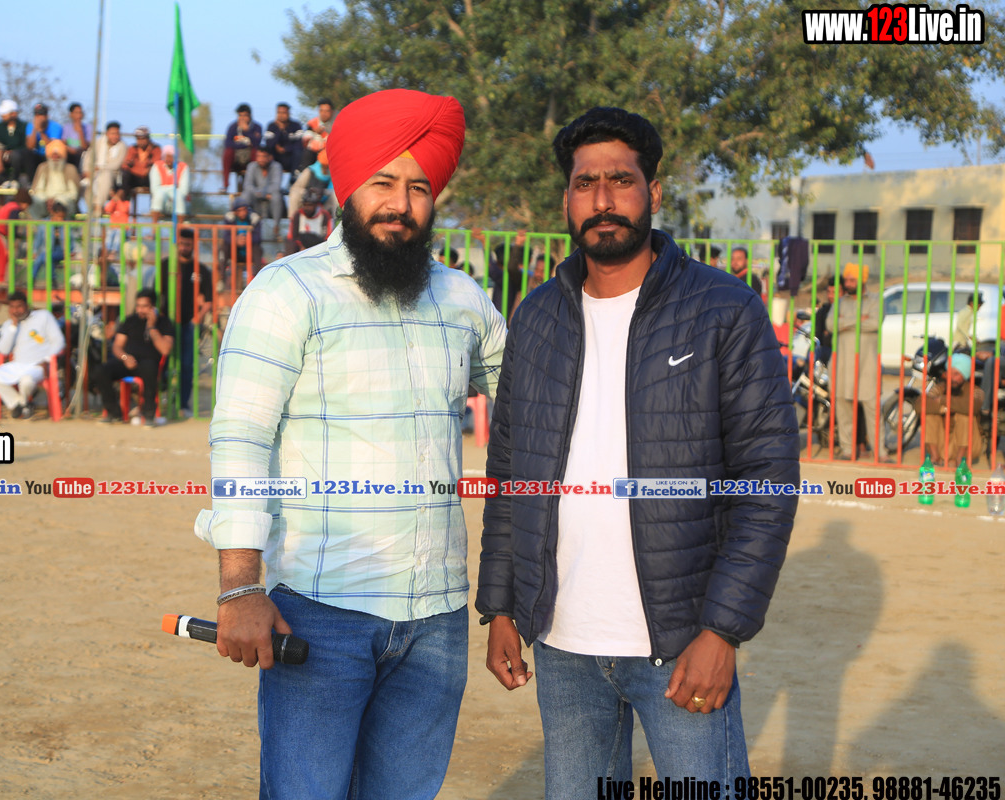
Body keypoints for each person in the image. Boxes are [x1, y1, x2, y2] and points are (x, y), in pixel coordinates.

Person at [476, 107, 798, 790]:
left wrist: (722, 631)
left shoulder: (722, 310)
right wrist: (500, 606)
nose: (603, 199)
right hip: (562, 644)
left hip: (680, 643)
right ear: (566, 199)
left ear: (652, 190)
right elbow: (508, 475)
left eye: (620, 180)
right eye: (585, 183)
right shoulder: (536, 317)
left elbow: (766, 482)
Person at [196, 88, 504, 800]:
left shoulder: (461, 298)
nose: (400, 204)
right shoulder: (287, 292)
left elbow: (533, 399)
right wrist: (240, 585)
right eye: (383, 183)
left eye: (418, 188)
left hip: (436, 616)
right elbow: (241, 439)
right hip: (321, 609)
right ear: (347, 189)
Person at [93, 288, 173, 425]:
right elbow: (117, 346)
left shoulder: (164, 323)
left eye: (144, 306)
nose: (140, 310)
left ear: (153, 307)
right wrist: (125, 357)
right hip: (127, 361)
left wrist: (152, 327)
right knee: (100, 371)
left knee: (149, 369)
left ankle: (148, 415)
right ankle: (114, 413)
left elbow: (165, 350)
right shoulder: (130, 321)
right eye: (138, 306)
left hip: (148, 363)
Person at [828, 261, 883, 460]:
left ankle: (880, 453)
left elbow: (875, 323)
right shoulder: (839, 302)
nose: (848, 283)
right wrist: (860, 319)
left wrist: (845, 322)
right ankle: (847, 450)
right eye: (847, 279)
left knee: (873, 408)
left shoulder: (876, 300)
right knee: (843, 408)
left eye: (852, 280)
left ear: (862, 280)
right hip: (842, 364)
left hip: (867, 364)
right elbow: (831, 325)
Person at [0, 291, 65, 419]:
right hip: (18, 365)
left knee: (26, 381)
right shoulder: (8, 325)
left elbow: (59, 342)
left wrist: (46, 359)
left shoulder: (43, 316)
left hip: (38, 365)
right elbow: (3, 350)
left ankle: (22, 405)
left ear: (27, 306)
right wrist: (13, 326)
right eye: (12, 307)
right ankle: (19, 404)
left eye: (19, 306)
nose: (16, 310)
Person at [158, 227, 212, 413]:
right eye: (181, 243)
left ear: (193, 245)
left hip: (189, 324)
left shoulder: (201, 270)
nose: (184, 247)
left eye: (188, 244)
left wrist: (197, 319)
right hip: (167, 323)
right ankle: (158, 402)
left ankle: (182, 405)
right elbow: (158, 293)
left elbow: (209, 300)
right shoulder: (166, 265)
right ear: (176, 244)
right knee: (161, 362)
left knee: (187, 366)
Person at [923, 352, 983, 467]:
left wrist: (943, 400)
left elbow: (971, 407)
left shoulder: (976, 391)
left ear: (965, 375)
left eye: (956, 374)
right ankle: (935, 456)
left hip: (968, 448)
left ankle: (961, 459)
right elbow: (921, 404)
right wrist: (944, 410)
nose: (951, 378)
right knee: (929, 415)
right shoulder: (940, 388)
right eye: (949, 373)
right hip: (943, 444)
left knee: (965, 415)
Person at [0, 188, 32, 283]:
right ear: (24, 203)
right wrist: (12, 241)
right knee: (2, 257)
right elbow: (11, 226)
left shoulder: (10, 205)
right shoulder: (15, 208)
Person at [30, 139, 81, 218]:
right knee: (33, 204)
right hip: (45, 201)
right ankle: (37, 225)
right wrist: (46, 200)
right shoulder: (42, 167)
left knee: (61, 206)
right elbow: (37, 190)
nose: (55, 159)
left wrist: (58, 199)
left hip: (63, 201)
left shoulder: (70, 169)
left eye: (58, 156)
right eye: (53, 156)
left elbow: (73, 194)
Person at [241, 147, 284, 238]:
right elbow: (247, 185)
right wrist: (261, 194)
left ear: (270, 157)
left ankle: (276, 227)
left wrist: (261, 193)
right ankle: (241, 228)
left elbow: (276, 186)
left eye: (264, 156)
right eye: (258, 156)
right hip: (256, 203)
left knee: (276, 196)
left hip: (271, 204)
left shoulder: (277, 166)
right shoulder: (251, 166)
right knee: (245, 195)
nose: (261, 159)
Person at [222, 104, 262, 194]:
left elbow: (257, 143)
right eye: (240, 115)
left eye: (245, 115)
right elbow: (227, 143)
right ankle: (225, 184)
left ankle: (256, 184)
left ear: (250, 116)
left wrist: (247, 131)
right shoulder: (233, 127)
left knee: (256, 151)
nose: (242, 118)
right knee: (228, 152)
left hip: (250, 159)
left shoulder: (256, 127)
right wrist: (245, 144)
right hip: (236, 158)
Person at [88, 121, 127, 212]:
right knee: (87, 184)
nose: (115, 136)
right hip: (96, 173)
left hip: (113, 176)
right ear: (107, 134)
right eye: (112, 133)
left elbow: (117, 165)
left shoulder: (122, 146)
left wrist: (101, 168)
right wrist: (87, 170)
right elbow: (89, 157)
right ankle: (90, 209)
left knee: (105, 176)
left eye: (117, 133)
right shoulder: (99, 143)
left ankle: (98, 206)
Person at [287, 152, 337, 218]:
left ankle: (337, 220)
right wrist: (309, 191)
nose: (325, 166)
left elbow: (335, 190)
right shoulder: (309, 171)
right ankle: (293, 219)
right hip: (307, 201)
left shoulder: (333, 172)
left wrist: (323, 191)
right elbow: (295, 188)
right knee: (294, 194)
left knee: (335, 196)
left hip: (324, 202)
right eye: (323, 164)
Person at [0, 100, 31, 185]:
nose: (2, 115)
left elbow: (26, 145)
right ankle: (2, 179)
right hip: (2, 154)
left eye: (5, 113)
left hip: (19, 155)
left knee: (16, 156)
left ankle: (15, 180)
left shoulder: (24, 126)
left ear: (14, 114)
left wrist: (12, 152)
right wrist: (4, 153)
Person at [220, 200, 262, 277]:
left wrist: (246, 239)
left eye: (244, 209)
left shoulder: (254, 218)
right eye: (239, 210)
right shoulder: (229, 218)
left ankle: (258, 278)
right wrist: (235, 240)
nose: (243, 213)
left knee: (257, 249)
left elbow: (258, 238)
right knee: (223, 248)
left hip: (250, 252)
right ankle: (222, 278)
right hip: (235, 252)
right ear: (235, 212)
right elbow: (226, 237)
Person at [150, 145, 190, 224]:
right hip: (163, 201)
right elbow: (155, 188)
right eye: (167, 156)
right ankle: (154, 227)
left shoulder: (184, 167)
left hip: (178, 201)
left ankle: (179, 228)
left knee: (178, 196)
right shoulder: (156, 166)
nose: (169, 159)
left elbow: (184, 190)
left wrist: (170, 192)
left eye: (171, 156)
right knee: (158, 195)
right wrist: (172, 188)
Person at [286, 187, 331, 254]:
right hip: (300, 247)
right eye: (305, 205)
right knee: (290, 243)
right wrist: (302, 246)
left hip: (318, 248)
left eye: (310, 205)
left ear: (316, 205)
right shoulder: (297, 215)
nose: (306, 208)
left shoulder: (325, 216)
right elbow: (292, 237)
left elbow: (327, 238)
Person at [264, 102, 303, 178]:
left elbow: (299, 144)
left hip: (291, 157)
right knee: (268, 152)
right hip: (277, 158)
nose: (280, 115)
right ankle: (270, 180)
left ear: (288, 113)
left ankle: (293, 179)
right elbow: (268, 144)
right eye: (278, 112)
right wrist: (280, 130)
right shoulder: (272, 126)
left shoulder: (296, 125)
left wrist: (285, 149)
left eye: (283, 113)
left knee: (299, 152)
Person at [121, 126, 159, 198]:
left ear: (148, 138)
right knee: (125, 174)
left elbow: (155, 165)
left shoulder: (156, 149)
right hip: (135, 179)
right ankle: (124, 200)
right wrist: (142, 168)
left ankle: (155, 202)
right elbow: (125, 165)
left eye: (143, 139)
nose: (140, 141)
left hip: (148, 180)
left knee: (154, 172)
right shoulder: (132, 148)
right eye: (138, 139)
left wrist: (136, 166)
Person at [25, 103, 63, 174]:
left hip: (50, 156)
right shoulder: (30, 126)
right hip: (36, 155)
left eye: (41, 114)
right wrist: (34, 129)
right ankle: (30, 179)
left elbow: (53, 147)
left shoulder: (55, 126)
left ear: (46, 116)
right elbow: (30, 146)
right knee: (28, 155)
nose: (39, 117)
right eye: (36, 115)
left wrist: (41, 131)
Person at [299, 98, 335, 170]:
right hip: (314, 153)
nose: (324, 113)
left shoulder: (337, 123)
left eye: (327, 111)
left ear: (332, 111)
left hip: (330, 153)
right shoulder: (312, 123)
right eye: (322, 110)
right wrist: (314, 132)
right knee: (306, 153)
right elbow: (305, 141)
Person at [64, 102, 92, 170]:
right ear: (71, 114)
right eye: (76, 112)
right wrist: (72, 151)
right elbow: (63, 143)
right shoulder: (66, 127)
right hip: (69, 155)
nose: (79, 115)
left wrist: (80, 131)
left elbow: (85, 147)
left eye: (80, 113)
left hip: (81, 156)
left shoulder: (88, 128)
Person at [103, 187, 130, 256]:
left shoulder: (127, 203)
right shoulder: (113, 202)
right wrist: (114, 199)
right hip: (113, 227)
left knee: (118, 234)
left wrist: (118, 200)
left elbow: (124, 209)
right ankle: (106, 251)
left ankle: (114, 252)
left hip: (122, 228)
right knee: (109, 234)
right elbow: (107, 209)